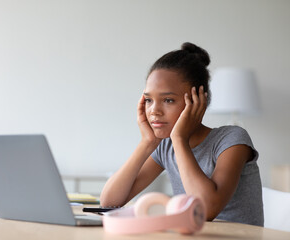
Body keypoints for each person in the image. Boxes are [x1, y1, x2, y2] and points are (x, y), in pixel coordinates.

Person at [100, 42, 264, 226]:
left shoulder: (232, 140)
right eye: (148, 100)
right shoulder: (165, 146)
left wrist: (179, 139)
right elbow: (109, 202)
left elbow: (206, 210)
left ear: (198, 101)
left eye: (168, 100)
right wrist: (147, 143)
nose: (154, 110)